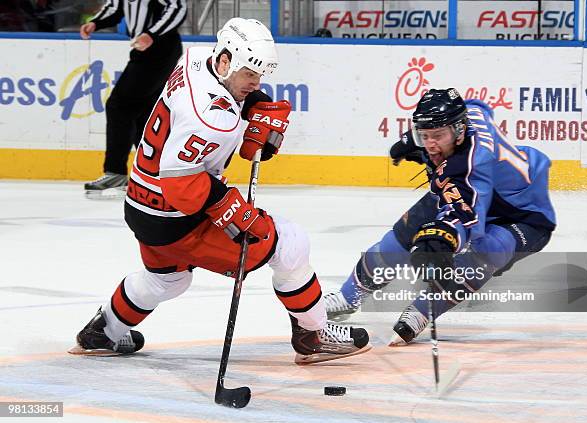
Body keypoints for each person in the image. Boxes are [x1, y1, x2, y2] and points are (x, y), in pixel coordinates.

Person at [69, 18, 371, 364]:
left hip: (141, 204)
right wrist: (230, 207)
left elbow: (220, 104)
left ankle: (102, 331)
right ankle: (314, 334)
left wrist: (255, 102)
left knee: (168, 280)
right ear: (226, 61)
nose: (254, 83)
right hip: (177, 213)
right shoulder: (212, 118)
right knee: (289, 244)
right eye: (249, 75)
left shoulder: (197, 58)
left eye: (259, 76)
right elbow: (180, 182)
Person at [323, 88, 556, 345]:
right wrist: (416, 141)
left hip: (522, 214)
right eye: (424, 135)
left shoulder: (472, 165)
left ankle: (423, 311)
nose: (431, 144)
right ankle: (349, 296)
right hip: (471, 191)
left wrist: (443, 239)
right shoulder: (468, 116)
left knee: (487, 251)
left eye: (438, 136)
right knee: (395, 245)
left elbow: (469, 218)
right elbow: (478, 105)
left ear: (458, 130)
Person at [80, 0, 186, 199]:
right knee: (143, 113)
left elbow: (177, 7)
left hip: (160, 49)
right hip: (144, 50)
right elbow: (115, 6)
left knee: (119, 106)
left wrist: (151, 34)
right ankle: (153, 174)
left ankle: (116, 173)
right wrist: (95, 22)